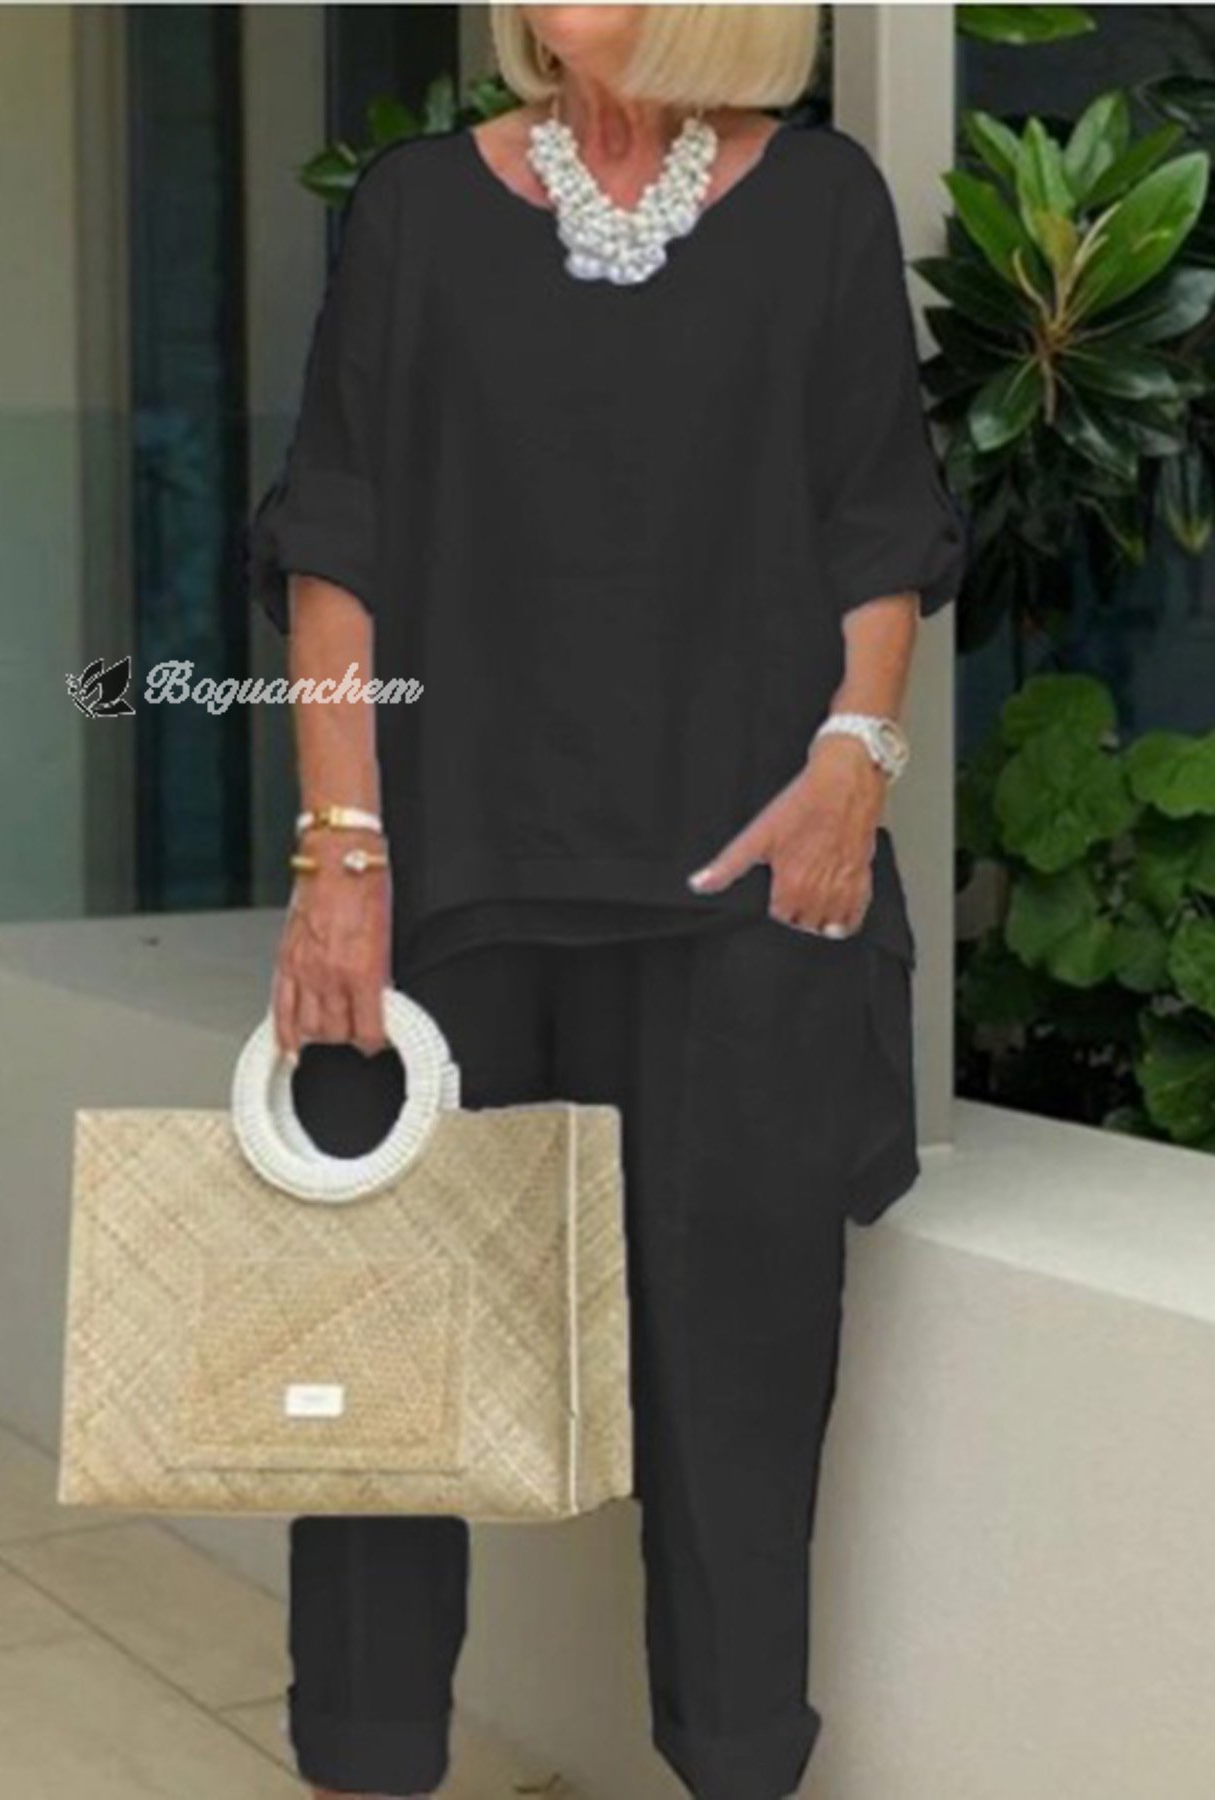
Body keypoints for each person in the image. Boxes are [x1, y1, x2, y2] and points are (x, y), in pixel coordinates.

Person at [245, 7, 967, 1798]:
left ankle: (736, 1768)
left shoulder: (818, 204)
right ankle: (362, 1769)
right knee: (378, 1389)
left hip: (743, 901)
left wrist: (853, 764)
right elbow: (334, 541)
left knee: (738, 1399)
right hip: (442, 895)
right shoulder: (415, 208)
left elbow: (879, 523)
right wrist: (341, 856)